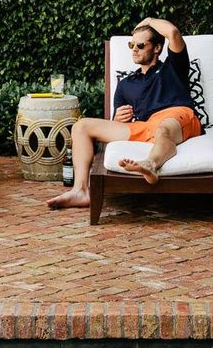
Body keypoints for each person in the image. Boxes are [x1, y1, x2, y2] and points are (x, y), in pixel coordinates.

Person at [47, 17, 202, 209]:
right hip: (145, 126)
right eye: (131, 44)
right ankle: (81, 191)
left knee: (163, 129)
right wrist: (116, 118)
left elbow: (173, 33)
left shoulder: (173, 67)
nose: (134, 49)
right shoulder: (126, 84)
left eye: (140, 44)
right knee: (81, 126)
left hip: (177, 116)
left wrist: (149, 20)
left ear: (157, 48)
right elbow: (115, 123)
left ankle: (150, 165)